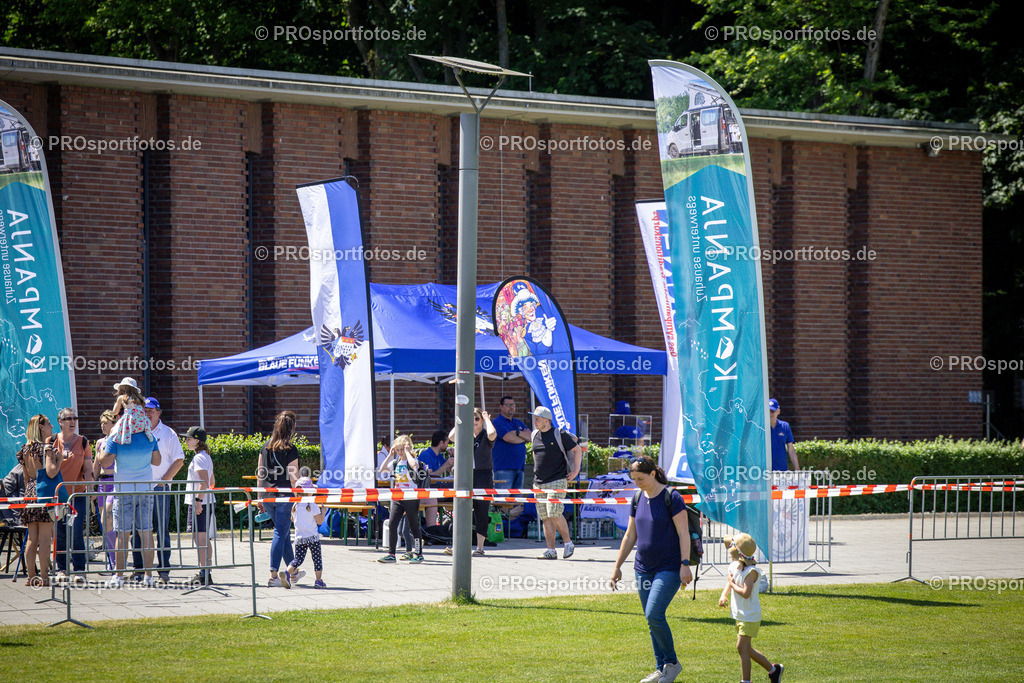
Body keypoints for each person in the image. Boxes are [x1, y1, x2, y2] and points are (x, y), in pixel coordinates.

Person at [609, 456, 692, 683]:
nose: (637, 483)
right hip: (642, 568)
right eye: (634, 479)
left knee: (654, 614)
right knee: (651, 619)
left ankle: (672, 663)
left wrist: (685, 565)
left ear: (653, 474)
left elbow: (684, 533)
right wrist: (617, 566)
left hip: (669, 566)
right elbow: (630, 535)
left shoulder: (671, 497)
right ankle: (660, 668)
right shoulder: (637, 497)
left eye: (641, 478)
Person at [99, 377, 161, 588]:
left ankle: (117, 576)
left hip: (124, 489)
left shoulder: (118, 432)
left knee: (122, 535)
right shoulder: (146, 429)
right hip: (145, 488)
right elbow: (157, 460)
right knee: (146, 534)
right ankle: (149, 576)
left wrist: (103, 452)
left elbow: (105, 462)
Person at [718, 532, 784, 683]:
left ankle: (746, 681)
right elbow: (730, 581)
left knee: (741, 648)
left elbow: (745, 593)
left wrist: (733, 584)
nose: (729, 550)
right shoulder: (735, 566)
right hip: (740, 614)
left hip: (750, 616)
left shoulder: (751, 572)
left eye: (731, 547)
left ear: (738, 553)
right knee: (747, 649)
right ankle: (774, 670)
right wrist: (723, 595)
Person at [141, 397, 185, 583]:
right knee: (141, 530)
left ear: (159, 412)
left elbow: (179, 460)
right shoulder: (137, 432)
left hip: (160, 490)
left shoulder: (168, 434)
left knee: (161, 530)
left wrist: (164, 480)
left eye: (151, 410)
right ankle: (141, 569)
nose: (148, 412)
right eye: (145, 410)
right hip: (140, 489)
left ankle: (164, 570)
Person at [529, 406, 581, 560]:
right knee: (545, 516)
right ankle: (550, 550)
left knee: (554, 512)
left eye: (537, 418)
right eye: (534, 418)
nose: (535, 421)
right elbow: (535, 453)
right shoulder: (534, 435)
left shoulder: (559, 434)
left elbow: (577, 450)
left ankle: (568, 543)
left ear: (547, 420)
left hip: (557, 479)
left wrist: (576, 471)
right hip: (538, 482)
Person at [256, 410, 300, 588]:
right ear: (291, 428)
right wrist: (299, 497)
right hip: (284, 496)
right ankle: (273, 574)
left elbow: (260, 473)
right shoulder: (291, 449)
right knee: (280, 533)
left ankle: (293, 571)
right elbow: (293, 476)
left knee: (282, 534)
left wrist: (259, 497)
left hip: (267, 496)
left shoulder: (265, 447)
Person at [444, 408, 496, 556]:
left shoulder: (485, 435)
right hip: (466, 474)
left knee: (482, 510)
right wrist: (461, 418)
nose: (474, 422)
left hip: (483, 474)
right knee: (462, 509)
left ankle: (480, 547)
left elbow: (493, 434)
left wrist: (487, 419)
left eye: (476, 419)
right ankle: (457, 545)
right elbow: (451, 436)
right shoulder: (465, 434)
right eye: (471, 418)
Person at [51, 407, 94, 580]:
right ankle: (61, 569)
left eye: (74, 418)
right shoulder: (52, 440)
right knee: (60, 532)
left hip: (77, 494)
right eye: (68, 418)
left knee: (75, 531)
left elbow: (88, 469)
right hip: (57, 495)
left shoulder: (83, 441)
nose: (72, 422)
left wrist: (91, 488)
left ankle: (79, 570)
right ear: (60, 422)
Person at [17, 415, 56, 587]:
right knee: (46, 539)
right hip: (44, 491)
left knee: (32, 538)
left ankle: (31, 576)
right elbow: (50, 472)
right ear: (40, 427)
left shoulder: (24, 449)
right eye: (48, 423)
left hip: (30, 492)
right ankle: (45, 577)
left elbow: (26, 476)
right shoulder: (45, 448)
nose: (52, 426)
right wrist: (59, 459)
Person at [377, 434, 424, 564]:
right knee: (392, 524)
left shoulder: (413, 460)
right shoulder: (396, 462)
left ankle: (418, 553)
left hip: (411, 496)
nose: (400, 452)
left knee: (414, 526)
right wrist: (390, 455)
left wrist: (408, 452)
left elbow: (414, 465)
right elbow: (382, 470)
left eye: (402, 449)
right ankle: (391, 554)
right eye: (398, 450)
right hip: (398, 496)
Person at [184, 426, 216, 587]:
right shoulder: (204, 456)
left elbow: (204, 482)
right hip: (205, 500)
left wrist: (198, 500)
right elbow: (212, 480)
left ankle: (204, 574)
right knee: (201, 538)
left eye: (189, 438)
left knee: (201, 538)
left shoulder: (199, 458)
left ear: (197, 440)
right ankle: (205, 572)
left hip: (201, 502)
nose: (186, 441)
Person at [285, 476, 324, 588]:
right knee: (317, 559)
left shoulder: (295, 505)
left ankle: (287, 572)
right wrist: (323, 512)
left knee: (297, 559)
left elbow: (292, 519)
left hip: (299, 537)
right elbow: (319, 521)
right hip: (313, 537)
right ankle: (318, 580)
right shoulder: (313, 505)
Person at [92, 410, 117, 570]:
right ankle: (111, 559)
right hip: (102, 483)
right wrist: (91, 486)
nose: (102, 425)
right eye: (101, 422)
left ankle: (116, 561)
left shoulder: (116, 441)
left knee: (107, 520)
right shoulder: (100, 442)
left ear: (113, 425)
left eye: (106, 423)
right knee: (104, 523)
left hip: (114, 482)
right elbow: (95, 465)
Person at [492, 396, 529, 490]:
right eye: (508, 405)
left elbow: (531, 437)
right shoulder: (497, 422)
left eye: (513, 405)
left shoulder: (518, 422)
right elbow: (508, 438)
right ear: (501, 407)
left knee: (517, 501)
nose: (511, 407)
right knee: (502, 501)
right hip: (503, 468)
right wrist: (523, 437)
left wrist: (517, 433)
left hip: (520, 467)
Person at [417, 430, 452, 528]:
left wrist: (452, 456)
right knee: (455, 487)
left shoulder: (439, 456)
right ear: (441, 443)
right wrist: (445, 466)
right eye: (447, 443)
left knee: (457, 488)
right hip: (430, 487)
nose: (447, 445)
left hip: (437, 487)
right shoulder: (426, 455)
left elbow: (450, 468)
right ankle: (432, 529)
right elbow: (430, 477)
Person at [768, 399, 799, 471]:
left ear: (778, 411)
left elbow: (791, 449)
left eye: (772, 411)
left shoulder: (785, 426)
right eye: (768, 411)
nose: (770, 414)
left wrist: (796, 467)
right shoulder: (761, 427)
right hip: (765, 471)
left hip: (782, 469)